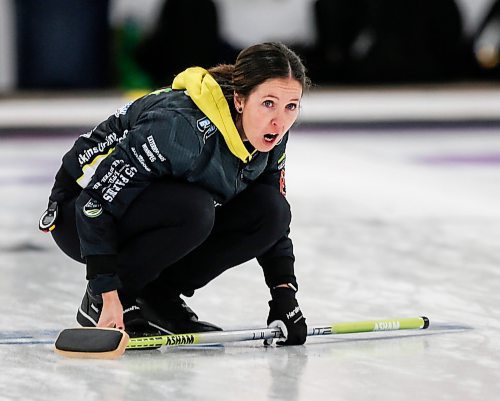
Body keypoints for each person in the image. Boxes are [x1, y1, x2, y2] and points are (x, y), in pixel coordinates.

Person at [39, 42, 309, 345]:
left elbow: (274, 218)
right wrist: (107, 291)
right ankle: (106, 300)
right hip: (76, 211)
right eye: (269, 103)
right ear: (240, 100)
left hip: (150, 205)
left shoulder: (270, 136)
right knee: (195, 210)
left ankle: (157, 296)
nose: (280, 121)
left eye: (291, 106)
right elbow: (94, 203)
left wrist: (284, 293)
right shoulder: (178, 127)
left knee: (271, 210)